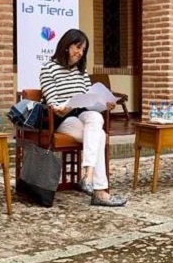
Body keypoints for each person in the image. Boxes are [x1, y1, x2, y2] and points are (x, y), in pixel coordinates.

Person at [39, 29, 127, 206]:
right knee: (100, 136)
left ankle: (87, 175)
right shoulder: (48, 69)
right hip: (65, 118)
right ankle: (99, 191)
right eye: (77, 47)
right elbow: (52, 101)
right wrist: (61, 108)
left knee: (95, 116)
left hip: (84, 113)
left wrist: (104, 104)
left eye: (83, 49)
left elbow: (89, 97)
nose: (79, 53)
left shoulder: (81, 71)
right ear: (66, 45)